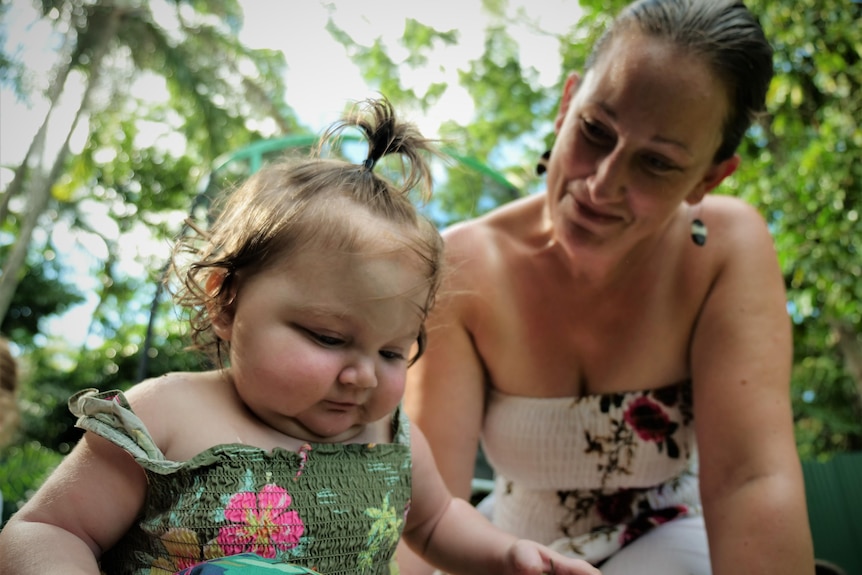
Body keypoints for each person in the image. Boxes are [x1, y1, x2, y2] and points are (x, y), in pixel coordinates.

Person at [0, 99, 600, 575]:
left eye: (393, 351)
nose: (363, 374)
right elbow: (48, 530)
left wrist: (506, 554)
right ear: (225, 299)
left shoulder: (390, 440)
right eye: (327, 337)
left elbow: (438, 521)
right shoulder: (165, 417)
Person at [399, 1, 814, 574]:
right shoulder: (464, 264)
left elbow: (751, 480)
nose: (602, 184)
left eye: (657, 164)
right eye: (595, 131)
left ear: (708, 179)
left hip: (673, 544)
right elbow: (428, 501)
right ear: (567, 105)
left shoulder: (726, 249)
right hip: (506, 547)